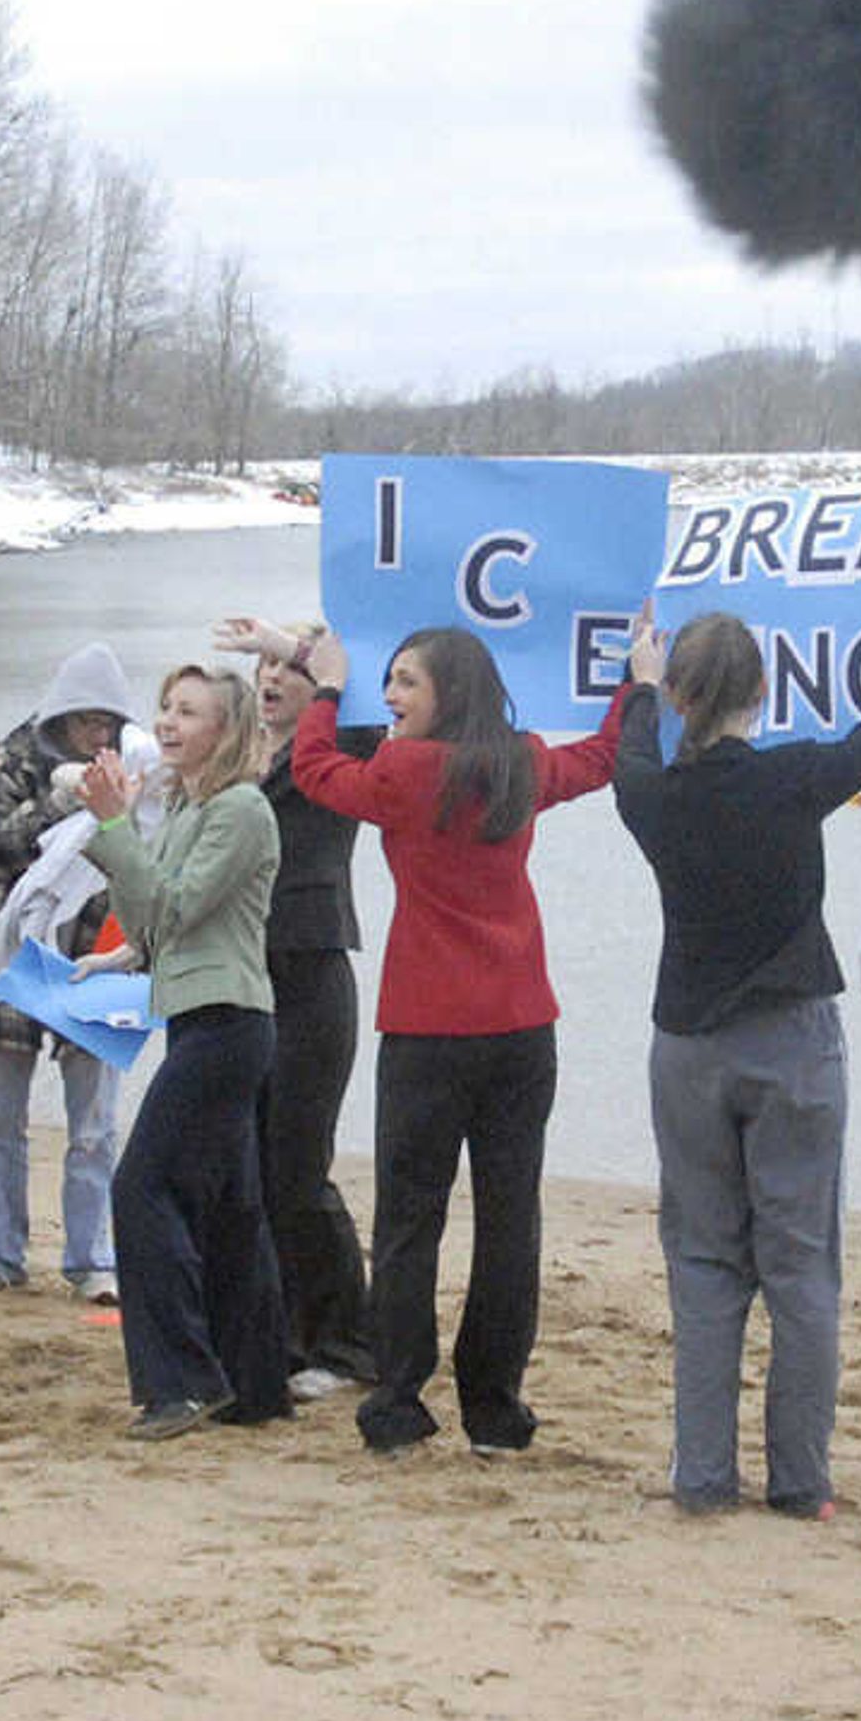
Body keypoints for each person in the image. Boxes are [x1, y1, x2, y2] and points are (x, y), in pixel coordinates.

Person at [610, 530, 861, 1518]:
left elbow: (631, 746)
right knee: (800, 1265)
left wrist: (640, 682)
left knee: (702, 1260)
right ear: (761, 695)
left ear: (683, 700)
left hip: (687, 1044)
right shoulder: (793, 778)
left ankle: (703, 1477)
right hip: (789, 1039)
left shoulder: (649, 792)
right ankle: (800, 1483)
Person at [290, 624, 628, 1456]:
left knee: (411, 1221)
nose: (395, 697)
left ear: (448, 692)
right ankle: (494, 1407)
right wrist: (637, 684)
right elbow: (602, 758)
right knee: (511, 1222)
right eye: (391, 680)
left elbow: (313, 769)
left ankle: (401, 1399)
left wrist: (328, 692)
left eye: (407, 683)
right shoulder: (519, 760)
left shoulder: (403, 772)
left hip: (429, 1027)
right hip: (521, 1024)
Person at [80, 665, 289, 1440]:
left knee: (142, 1187)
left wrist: (111, 828)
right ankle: (255, 1384)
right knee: (232, 1208)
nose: (167, 723)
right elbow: (156, 923)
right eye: (166, 707)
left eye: (188, 712)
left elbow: (170, 908)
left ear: (226, 731)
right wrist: (112, 960)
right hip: (202, 1016)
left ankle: (179, 1384)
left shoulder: (240, 809)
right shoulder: (191, 809)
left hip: (229, 1022)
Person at [0, 643, 137, 1306]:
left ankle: (90, 1259)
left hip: (101, 950)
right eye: (84, 721)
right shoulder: (11, 761)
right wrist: (59, 802)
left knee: (96, 1125)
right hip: (12, 948)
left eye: (107, 721)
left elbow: (152, 854)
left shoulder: (141, 765)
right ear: (58, 717)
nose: (96, 733)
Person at [211, 615, 379, 1398]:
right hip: (237, 975)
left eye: (288, 674)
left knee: (299, 1168)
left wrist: (299, 647)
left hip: (310, 974)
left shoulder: (335, 755)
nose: (271, 683)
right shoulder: (231, 765)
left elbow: (374, 707)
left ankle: (345, 1344)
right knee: (244, 1162)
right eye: (263, 676)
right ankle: (271, 1332)